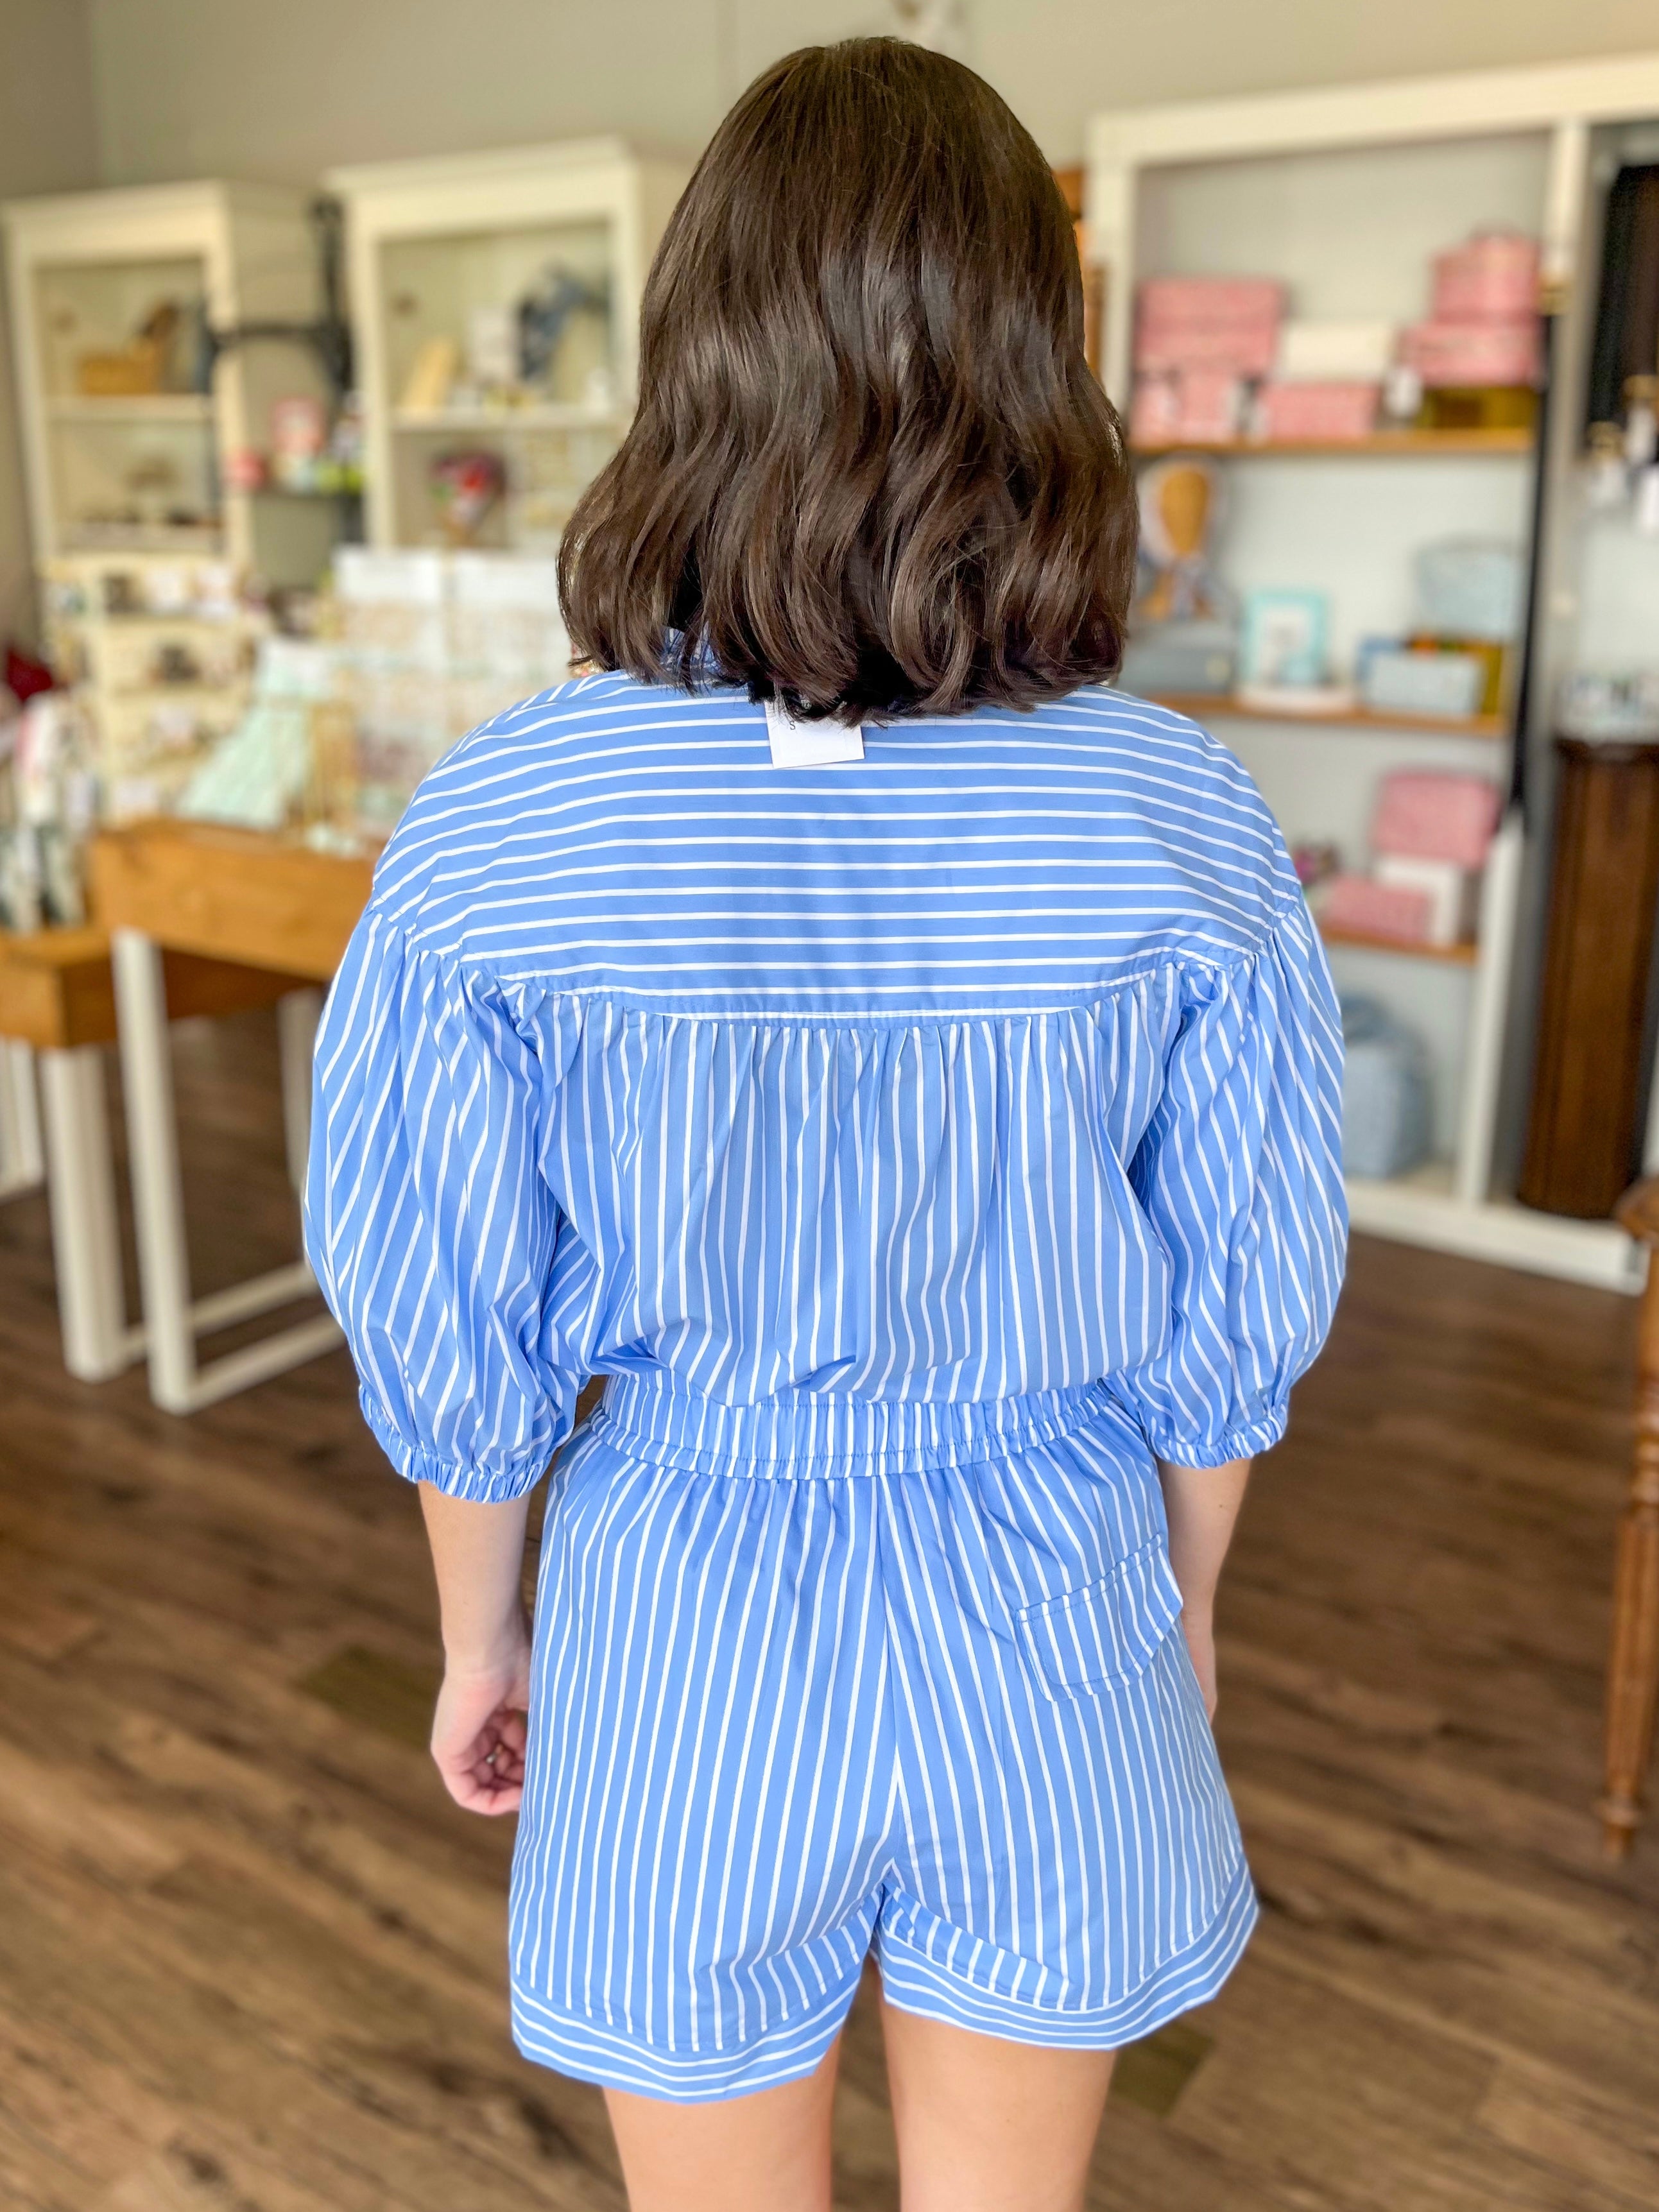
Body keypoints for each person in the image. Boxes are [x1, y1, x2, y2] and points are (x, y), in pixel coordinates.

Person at [305, 37, 1346, 2212]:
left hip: (679, 1601)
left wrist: (483, 1642)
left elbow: (451, 1337)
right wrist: (1190, 1605)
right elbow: (1234, 1311)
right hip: (1055, 1584)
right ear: (1035, 371)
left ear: (700, 355)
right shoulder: (1180, 819)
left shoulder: (499, 824)